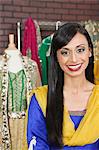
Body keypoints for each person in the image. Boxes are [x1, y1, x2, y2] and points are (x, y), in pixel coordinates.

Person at [27, 22, 99, 149]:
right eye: (65, 52)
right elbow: (37, 144)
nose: (74, 59)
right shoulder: (41, 98)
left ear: (90, 51)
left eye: (80, 50)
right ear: (56, 56)